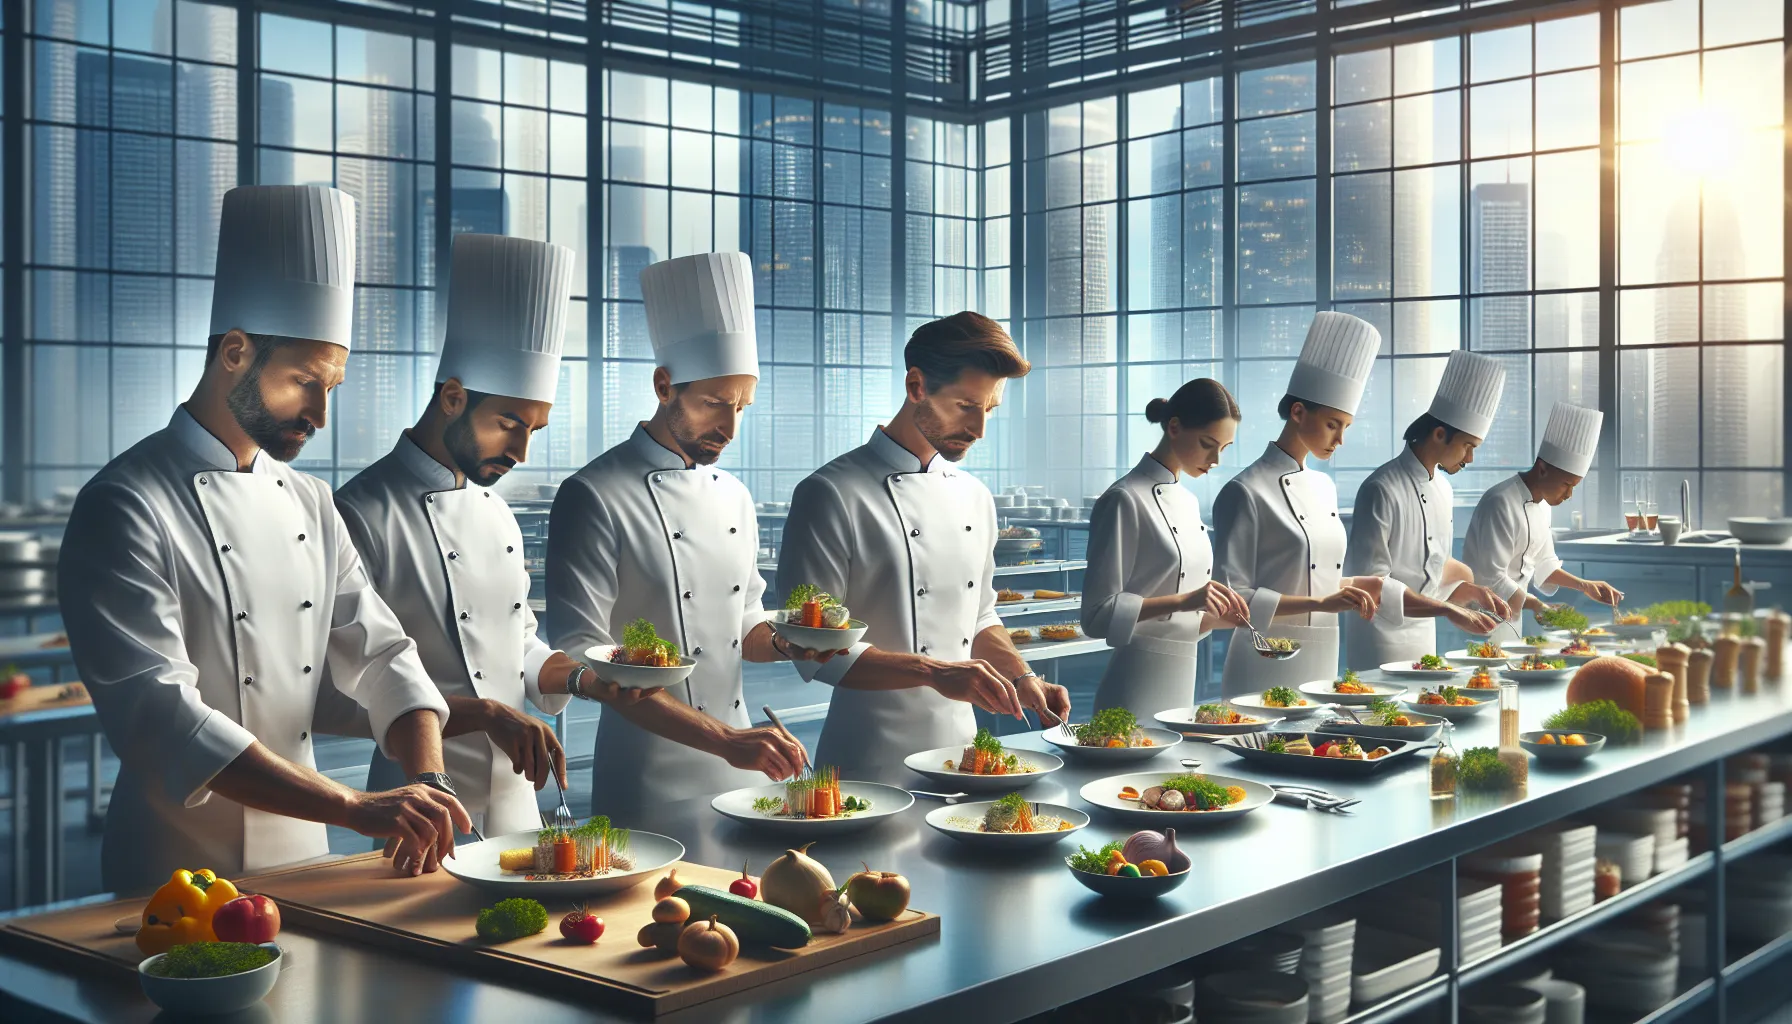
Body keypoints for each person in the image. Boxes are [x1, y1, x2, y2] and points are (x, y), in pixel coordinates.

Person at [58, 185, 470, 895]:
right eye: (303, 382)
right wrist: (351, 805)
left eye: (332, 387)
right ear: (236, 352)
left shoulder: (310, 501)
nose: (318, 412)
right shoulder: (125, 503)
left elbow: (380, 656)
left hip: (308, 861)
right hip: (174, 867)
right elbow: (159, 716)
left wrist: (427, 783)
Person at [333, 235, 648, 844]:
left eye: (534, 429)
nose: (522, 451)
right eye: (508, 423)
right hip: (421, 798)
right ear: (453, 397)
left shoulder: (496, 511)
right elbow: (343, 686)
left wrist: (580, 678)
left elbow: (515, 642)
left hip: (519, 797)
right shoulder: (359, 512)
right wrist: (487, 714)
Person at [546, 253, 826, 821]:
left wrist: (790, 640)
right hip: (648, 769)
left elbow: (745, 624)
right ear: (664, 385)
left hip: (747, 757)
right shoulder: (593, 493)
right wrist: (722, 739)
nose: (728, 427)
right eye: (713, 404)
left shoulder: (735, 496)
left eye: (742, 407)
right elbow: (582, 652)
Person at [776, 312, 1073, 783]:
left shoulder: (975, 496)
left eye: (988, 410)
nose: (978, 428)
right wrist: (935, 672)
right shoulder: (830, 493)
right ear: (917, 385)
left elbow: (979, 617)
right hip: (868, 759)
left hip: (964, 755)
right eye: (964, 405)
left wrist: (1022, 676)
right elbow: (810, 649)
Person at [1211, 311, 1388, 697]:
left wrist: (1353, 586)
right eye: (1332, 424)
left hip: (1324, 653)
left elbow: (1310, 574)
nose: (1340, 439)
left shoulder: (1324, 486)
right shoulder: (1244, 491)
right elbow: (1231, 601)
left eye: (1347, 427)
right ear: (1298, 412)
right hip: (1264, 659)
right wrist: (1323, 601)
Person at [1079, 380, 1254, 721]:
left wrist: (1219, 619)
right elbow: (1095, 616)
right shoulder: (1124, 499)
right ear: (1174, 427)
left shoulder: (1188, 502)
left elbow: (1180, 619)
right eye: (1208, 444)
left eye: (1224, 447)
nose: (1216, 459)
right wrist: (1186, 600)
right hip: (1133, 685)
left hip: (1182, 683)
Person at [1343, 350, 1510, 670]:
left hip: (1425, 638)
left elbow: (1432, 574)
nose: (1470, 458)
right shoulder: (1380, 489)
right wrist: (1448, 610)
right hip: (1381, 643)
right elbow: (1371, 585)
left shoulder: (1443, 489)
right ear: (1439, 434)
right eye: (1468, 446)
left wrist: (1469, 592)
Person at [1463, 401, 1624, 620]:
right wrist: (1537, 605)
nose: (1569, 495)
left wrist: (1584, 586)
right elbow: (1490, 578)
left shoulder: (1544, 505)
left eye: (1574, 487)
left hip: (1510, 618)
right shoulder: (1500, 502)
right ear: (1542, 469)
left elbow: (1544, 563)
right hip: (1478, 618)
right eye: (1566, 485)